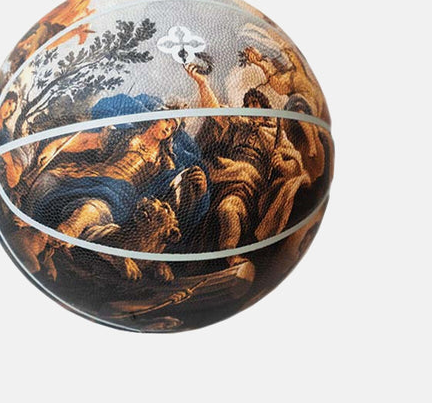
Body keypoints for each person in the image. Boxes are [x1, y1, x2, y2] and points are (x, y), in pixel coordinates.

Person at [26, 93, 208, 247]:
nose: (168, 128)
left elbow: (173, 187)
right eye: (166, 120)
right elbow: (87, 141)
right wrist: (55, 145)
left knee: (89, 210)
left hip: (118, 193)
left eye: (172, 128)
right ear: (156, 118)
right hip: (94, 175)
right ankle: (27, 221)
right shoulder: (126, 135)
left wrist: (199, 186)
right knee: (47, 179)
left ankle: (66, 233)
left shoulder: (165, 161)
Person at [185, 64, 309, 262]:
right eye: (248, 104)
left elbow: (295, 166)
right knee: (205, 198)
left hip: (250, 186)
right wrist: (203, 83)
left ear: (264, 108)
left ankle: (230, 255)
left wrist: (281, 164)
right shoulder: (239, 123)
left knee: (228, 208)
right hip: (225, 175)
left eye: (255, 103)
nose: (251, 107)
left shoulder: (275, 133)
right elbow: (215, 110)